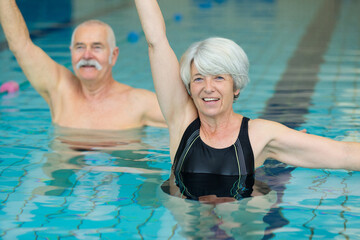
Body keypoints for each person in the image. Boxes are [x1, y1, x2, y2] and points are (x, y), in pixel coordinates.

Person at [134, 0, 360, 202]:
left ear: (237, 86)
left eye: (219, 77)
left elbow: (345, 155)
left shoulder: (259, 134)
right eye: (199, 78)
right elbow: (156, 41)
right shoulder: (181, 121)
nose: (208, 88)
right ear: (190, 88)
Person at [0, 0, 166, 130]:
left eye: (96, 47)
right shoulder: (59, 90)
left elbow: (184, 119)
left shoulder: (137, 103)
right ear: (71, 52)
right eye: (80, 47)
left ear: (113, 56)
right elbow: (20, 45)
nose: (87, 55)